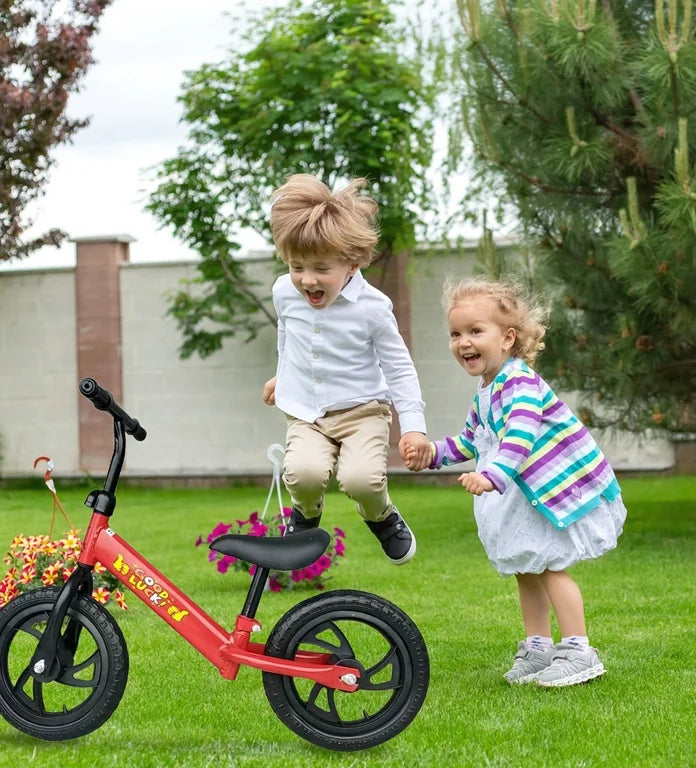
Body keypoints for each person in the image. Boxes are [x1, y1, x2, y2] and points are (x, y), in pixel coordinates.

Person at [403, 276, 626, 686]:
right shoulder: (487, 389)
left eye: (475, 331)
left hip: (545, 490)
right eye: (455, 334)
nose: (463, 342)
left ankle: (579, 649)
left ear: (507, 338)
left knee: (552, 565)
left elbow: (520, 434)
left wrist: (493, 475)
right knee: (528, 566)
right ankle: (538, 646)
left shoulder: (519, 380)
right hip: (523, 495)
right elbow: (472, 439)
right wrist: (432, 453)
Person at [262, 173, 432, 565]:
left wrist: (414, 427)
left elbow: (400, 369)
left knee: (361, 480)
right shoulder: (283, 291)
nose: (307, 279)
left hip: (362, 411)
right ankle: (305, 515)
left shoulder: (373, 308)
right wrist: (281, 374)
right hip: (307, 411)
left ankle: (382, 516)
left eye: (321, 268)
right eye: (296, 266)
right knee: (302, 473)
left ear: (352, 263)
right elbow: (289, 334)